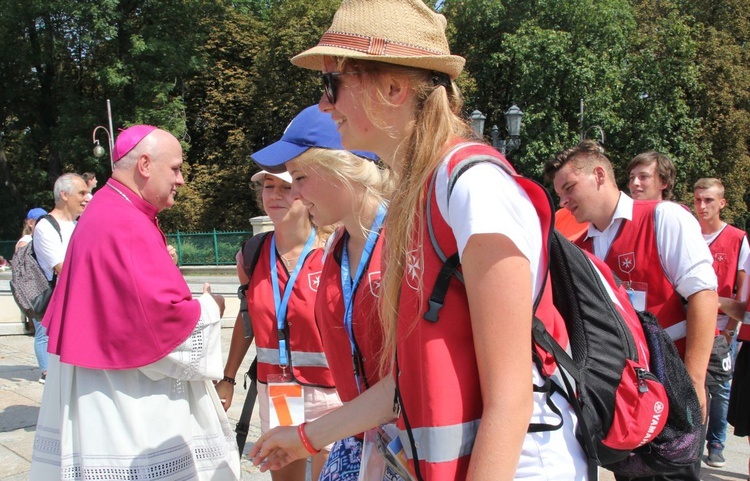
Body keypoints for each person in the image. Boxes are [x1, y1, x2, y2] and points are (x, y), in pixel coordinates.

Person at [251, 1, 589, 479]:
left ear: (392, 89)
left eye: (332, 84)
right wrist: (306, 437)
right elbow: (411, 378)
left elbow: (510, 399)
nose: (325, 105)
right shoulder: (426, 188)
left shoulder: (472, 186)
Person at [29, 125, 241, 480]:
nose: (182, 179)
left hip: (107, 382)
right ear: (144, 164)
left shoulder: (111, 210)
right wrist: (211, 306)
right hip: (128, 402)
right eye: (175, 168)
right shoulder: (124, 222)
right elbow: (160, 325)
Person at [544, 140, 718, 481]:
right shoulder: (580, 248)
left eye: (568, 188)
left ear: (598, 175)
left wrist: (694, 380)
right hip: (624, 398)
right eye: (559, 195)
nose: (563, 201)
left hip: (672, 383)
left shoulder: (662, 217)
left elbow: (703, 294)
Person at [254, 105, 394, 480]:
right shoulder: (337, 246)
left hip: (411, 445)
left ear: (341, 168)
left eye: (299, 177)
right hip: (361, 438)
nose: (295, 192)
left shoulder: (402, 242)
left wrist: (308, 437)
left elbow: (406, 386)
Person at [216, 164, 341, 481]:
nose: (274, 195)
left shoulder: (335, 251)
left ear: (305, 192)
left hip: (332, 393)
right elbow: (248, 320)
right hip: (280, 391)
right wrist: (228, 378)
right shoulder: (251, 254)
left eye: (285, 187)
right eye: (268, 187)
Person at [694, 177, 749, 468]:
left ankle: (716, 442)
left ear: (722, 203)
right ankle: (691, 440)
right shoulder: (688, 232)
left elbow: (743, 287)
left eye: (709, 200)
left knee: (720, 388)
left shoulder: (737, 238)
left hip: (721, 327)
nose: (702, 206)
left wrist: (730, 329)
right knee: (695, 383)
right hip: (692, 324)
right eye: (698, 199)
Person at [31, 173, 88, 383]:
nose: (87, 198)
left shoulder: (80, 223)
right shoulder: (46, 227)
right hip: (64, 307)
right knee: (65, 374)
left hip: (81, 303)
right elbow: (63, 268)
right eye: (82, 193)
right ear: (64, 195)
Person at [14, 207, 48, 337]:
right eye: (40, 220)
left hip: (42, 288)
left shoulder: (38, 238)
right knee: (42, 333)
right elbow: (23, 271)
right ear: (30, 222)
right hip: (35, 290)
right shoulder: (25, 242)